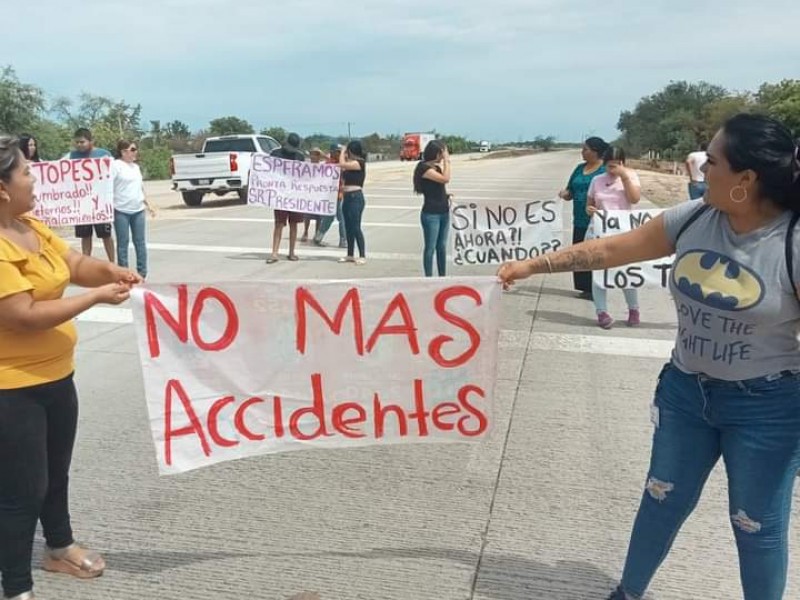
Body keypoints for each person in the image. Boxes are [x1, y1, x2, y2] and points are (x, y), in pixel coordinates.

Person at [497, 113, 800, 600]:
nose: (700, 171)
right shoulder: (695, 218)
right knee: (661, 500)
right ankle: (628, 593)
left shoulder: (791, 243)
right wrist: (535, 265)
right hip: (686, 395)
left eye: (712, 162)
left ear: (746, 179)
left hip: (766, 410)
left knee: (755, 525)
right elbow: (611, 249)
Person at [0, 135, 142, 600]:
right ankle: (16, 586)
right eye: (25, 171)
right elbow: (20, 317)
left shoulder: (29, 225)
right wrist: (96, 298)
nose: (33, 175)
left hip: (57, 375)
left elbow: (75, 263)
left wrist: (113, 272)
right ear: (2, 188)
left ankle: (58, 547)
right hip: (11, 387)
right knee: (22, 492)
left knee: (55, 472)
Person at [586, 146, 642, 328]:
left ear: (623, 163)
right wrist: (591, 210)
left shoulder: (631, 176)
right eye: (609, 166)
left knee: (626, 272)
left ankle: (633, 309)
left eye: (616, 165)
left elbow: (634, 199)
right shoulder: (597, 180)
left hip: (623, 232)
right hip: (600, 231)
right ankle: (601, 312)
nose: (612, 170)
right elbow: (590, 204)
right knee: (599, 272)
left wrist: (624, 176)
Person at [558, 137, 608, 298]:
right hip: (579, 218)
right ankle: (585, 287)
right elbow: (570, 190)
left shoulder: (605, 171)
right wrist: (565, 194)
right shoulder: (579, 168)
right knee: (580, 254)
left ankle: (598, 287)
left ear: (595, 152)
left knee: (595, 254)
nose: (582, 152)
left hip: (598, 220)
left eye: (585, 149)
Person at [68, 128, 115, 262]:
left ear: (91, 141)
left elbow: (112, 176)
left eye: (82, 142)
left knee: (106, 234)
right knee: (85, 235)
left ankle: (112, 262)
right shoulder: (73, 156)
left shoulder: (104, 154)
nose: (79, 145)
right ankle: (86, 263)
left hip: (100, 202)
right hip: (83, 202)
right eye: (77, 142)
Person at [112, 140, 156, 279]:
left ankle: (142, 272)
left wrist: (149, 204)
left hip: (138, 209)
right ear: (123, 152)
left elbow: (140, 187)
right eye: (133, 149)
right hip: (121, 209)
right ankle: (123, 273)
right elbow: (107, 187)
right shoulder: (115, 166)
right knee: (123, 242)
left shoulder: (135, 167)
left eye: (135, 149)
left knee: (140, 241)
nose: (135, 152)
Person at [413, 139, 451, 277]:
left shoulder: (436, 168)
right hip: (431, 214)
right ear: (436, 153)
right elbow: (445, 179)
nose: (443, 156)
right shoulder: (424, 168)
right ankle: (428, 276)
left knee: (441, 246)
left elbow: (437, 187)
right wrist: (448, 161)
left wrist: (445, 195)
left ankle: (442, 275)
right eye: (442, 153)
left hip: (444, 211)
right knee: (430, 247)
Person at [267, 132, 305, 263]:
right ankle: (274, 253)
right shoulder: (275, 154)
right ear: (286, 143)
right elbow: (267, 172)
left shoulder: (300, 156)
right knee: (279, 224)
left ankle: (292, 252)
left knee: (294, 224)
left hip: (295, 196)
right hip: (280, 195)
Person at [338, 140, 367, 265]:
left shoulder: (359, 162)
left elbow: (342, 164)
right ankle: (350, 254)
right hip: (347, 197)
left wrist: (343, 151)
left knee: (356, 227)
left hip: (356, 197)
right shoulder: (350, 164)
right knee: (348, 227)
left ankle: (362, 254)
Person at [313, 144, 346, 248]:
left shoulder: (342, 162)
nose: (340, 154)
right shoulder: (328, 163)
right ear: (333, 152)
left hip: (339, 194)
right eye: (338, 151)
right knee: (335, 218)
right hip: (331, 194)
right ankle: (342, 240)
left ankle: (319, 237)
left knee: (335, 218)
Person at [300, 148, 324, 243]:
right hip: (309, 194)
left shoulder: (323, 166)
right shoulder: (306, 166)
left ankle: (316, 233)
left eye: (316, 154)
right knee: (307, 215)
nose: (314, 156)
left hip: (320, 194)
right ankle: (305, 232)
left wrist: (322, 153)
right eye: (312, 154)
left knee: (319, 216)